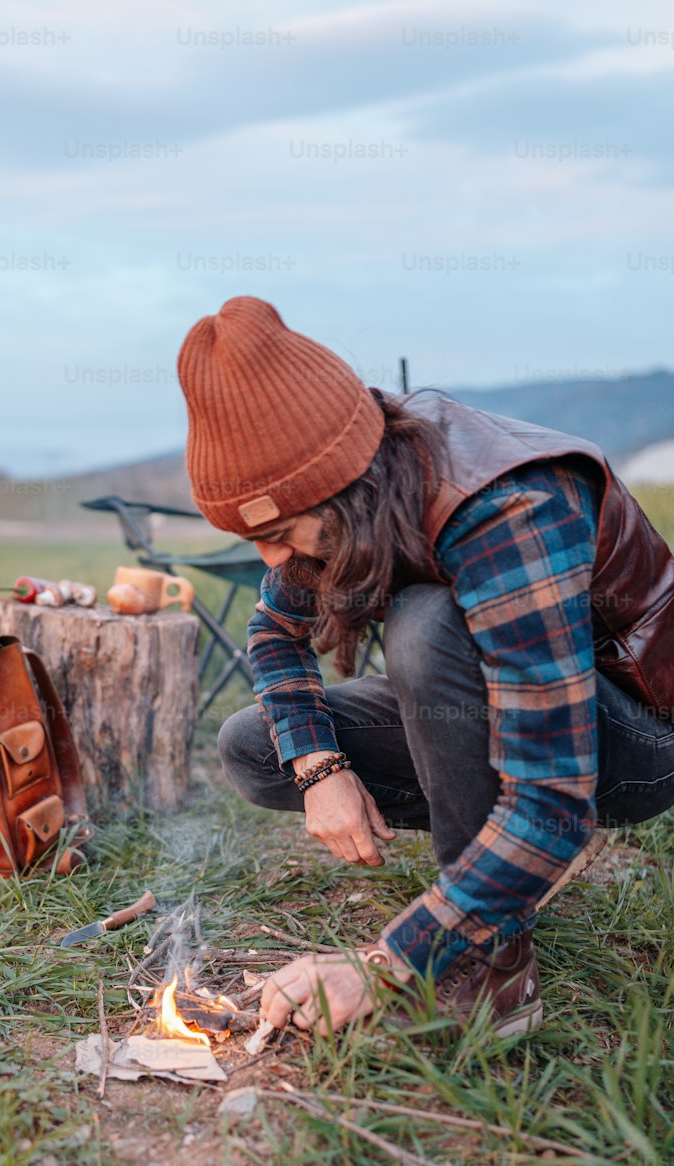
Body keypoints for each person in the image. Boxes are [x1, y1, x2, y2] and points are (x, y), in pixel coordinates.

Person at [176, 296, 674, 1042]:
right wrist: (320, 770)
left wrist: (389, 961)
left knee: (423, 624)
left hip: (632, 740)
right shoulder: (351, 499)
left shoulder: (510, 507)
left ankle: (487, 969)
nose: (274, 562)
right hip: (509, 708)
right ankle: (479, 874)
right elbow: (274, 633)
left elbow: (551, 799)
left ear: (340, 481)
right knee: (256, 745)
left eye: (279, 533)